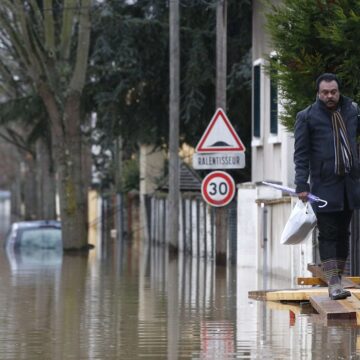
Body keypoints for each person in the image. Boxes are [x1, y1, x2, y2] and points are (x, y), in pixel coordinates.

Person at [294, 73, 360, 300]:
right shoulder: (307, 117)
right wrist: (301, 184)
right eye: (325, 93)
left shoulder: (352, 110)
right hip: (324, 185)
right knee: (328, 233)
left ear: (338, 91)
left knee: (343, 232)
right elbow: (301, 155)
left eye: (333, 92)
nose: (329, 96)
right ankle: (333, 282)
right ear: (318, 93)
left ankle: (338, 277)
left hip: (349, 185)